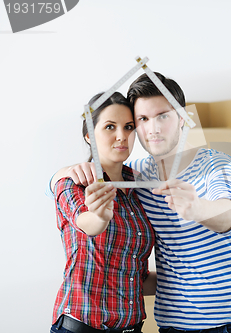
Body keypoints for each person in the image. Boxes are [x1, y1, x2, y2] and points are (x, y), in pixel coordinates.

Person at [50, 73, 231, 332]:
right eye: (142, 119)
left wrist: (197, 208)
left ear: (184, 119)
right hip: (175, 324)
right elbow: (66, 190)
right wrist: (61, 174)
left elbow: (230, 216)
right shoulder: (136, 178)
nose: (153, 128)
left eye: (163, 115)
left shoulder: (216, 164)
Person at [50, 92, 156, 333]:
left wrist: (196, 278)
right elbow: (86, 222)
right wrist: (100, 216)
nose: (122, 136)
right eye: (110, 126)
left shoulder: (140, 186)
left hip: (132, 326)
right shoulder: (73, 182)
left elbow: (135, 275)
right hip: (81, 325)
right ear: (89, 134)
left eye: (129, 127)